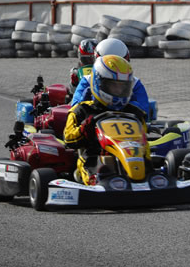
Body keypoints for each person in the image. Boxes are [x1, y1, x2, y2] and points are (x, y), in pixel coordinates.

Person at [63, 54, 147, 184]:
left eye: (122, 87)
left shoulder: (134, 113)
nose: (119, 91)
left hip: (130, 153)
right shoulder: (82, 110)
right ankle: (97, 181)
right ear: (99, 84)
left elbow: (144, 142)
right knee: (97, 166)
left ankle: (145, 175)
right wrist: (84, 130)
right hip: (95, 155)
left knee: (153, 165)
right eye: (114, 86)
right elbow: (68, 138)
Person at [70, 37, 150, 116]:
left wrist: (132, 105)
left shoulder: (135, 83)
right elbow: (75, 112)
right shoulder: (88, 81)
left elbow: (145, 113)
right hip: (96, 124)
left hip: (128, 122)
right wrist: (86, 104)